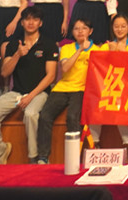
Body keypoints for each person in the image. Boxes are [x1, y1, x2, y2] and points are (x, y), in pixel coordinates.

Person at [0, 6, 58, 164]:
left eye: (35, 19)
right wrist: (18, 54)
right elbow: (5, 72)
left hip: (40, 93)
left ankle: (34, 157)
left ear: (40, 23)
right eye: (27, 19)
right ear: (22, 23)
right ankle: (0, 151)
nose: (31, 22)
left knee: (30, 114)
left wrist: (30, 96)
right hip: (16, 92)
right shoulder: (13, 45)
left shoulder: (49, 44)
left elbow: (51, 76)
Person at [35, 18, 96, 164]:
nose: (80, 31)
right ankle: (43, 157)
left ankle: (74, 158)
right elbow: (65, 68)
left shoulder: (98, 50)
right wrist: (80, 50)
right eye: (76, 28)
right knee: (45, 116)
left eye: (84, 28)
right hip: (62, 88)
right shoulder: (67, 48)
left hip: (81, 89)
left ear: (90, 31)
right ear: (72, 32)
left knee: (73, 117)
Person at [89, 13, 128, 163]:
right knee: (100, 107)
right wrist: (111, 53)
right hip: (111, 88)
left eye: (123, 26)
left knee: (125, 108)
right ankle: (95, 147)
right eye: (116, 26)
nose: (119, 29)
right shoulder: (105, 46)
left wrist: (122, 52)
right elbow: (100, 69)